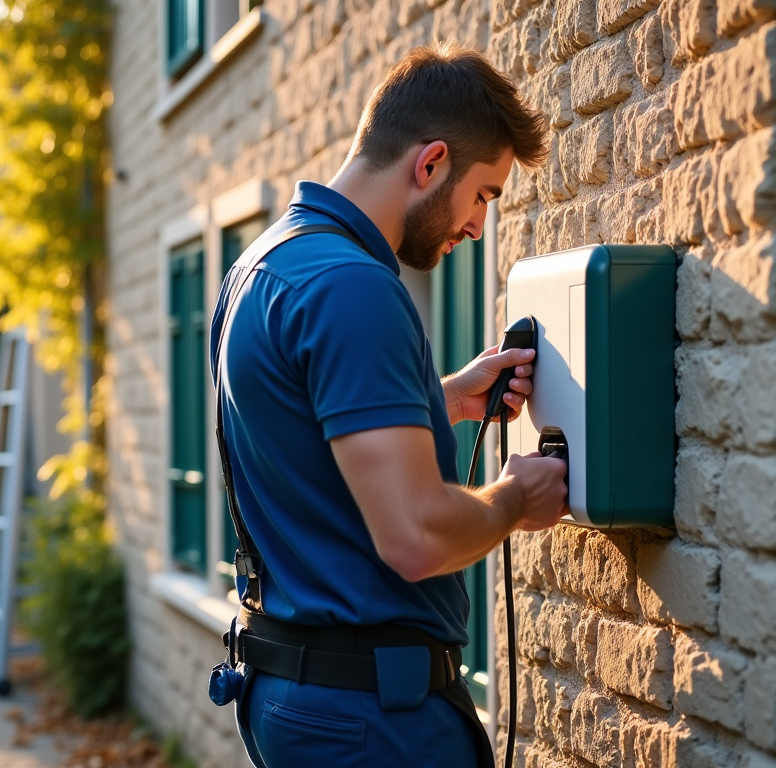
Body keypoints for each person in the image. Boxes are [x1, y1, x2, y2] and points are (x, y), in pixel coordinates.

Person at [208, 41, 569, 767]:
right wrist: (511, 500)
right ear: (430, 162)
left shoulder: (266, 262)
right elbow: (413, 537)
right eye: (483, 196)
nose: (476, 226)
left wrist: (439, 402)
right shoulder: (355, 289)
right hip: (374, 722)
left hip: (295, 694)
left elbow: (295, 428)